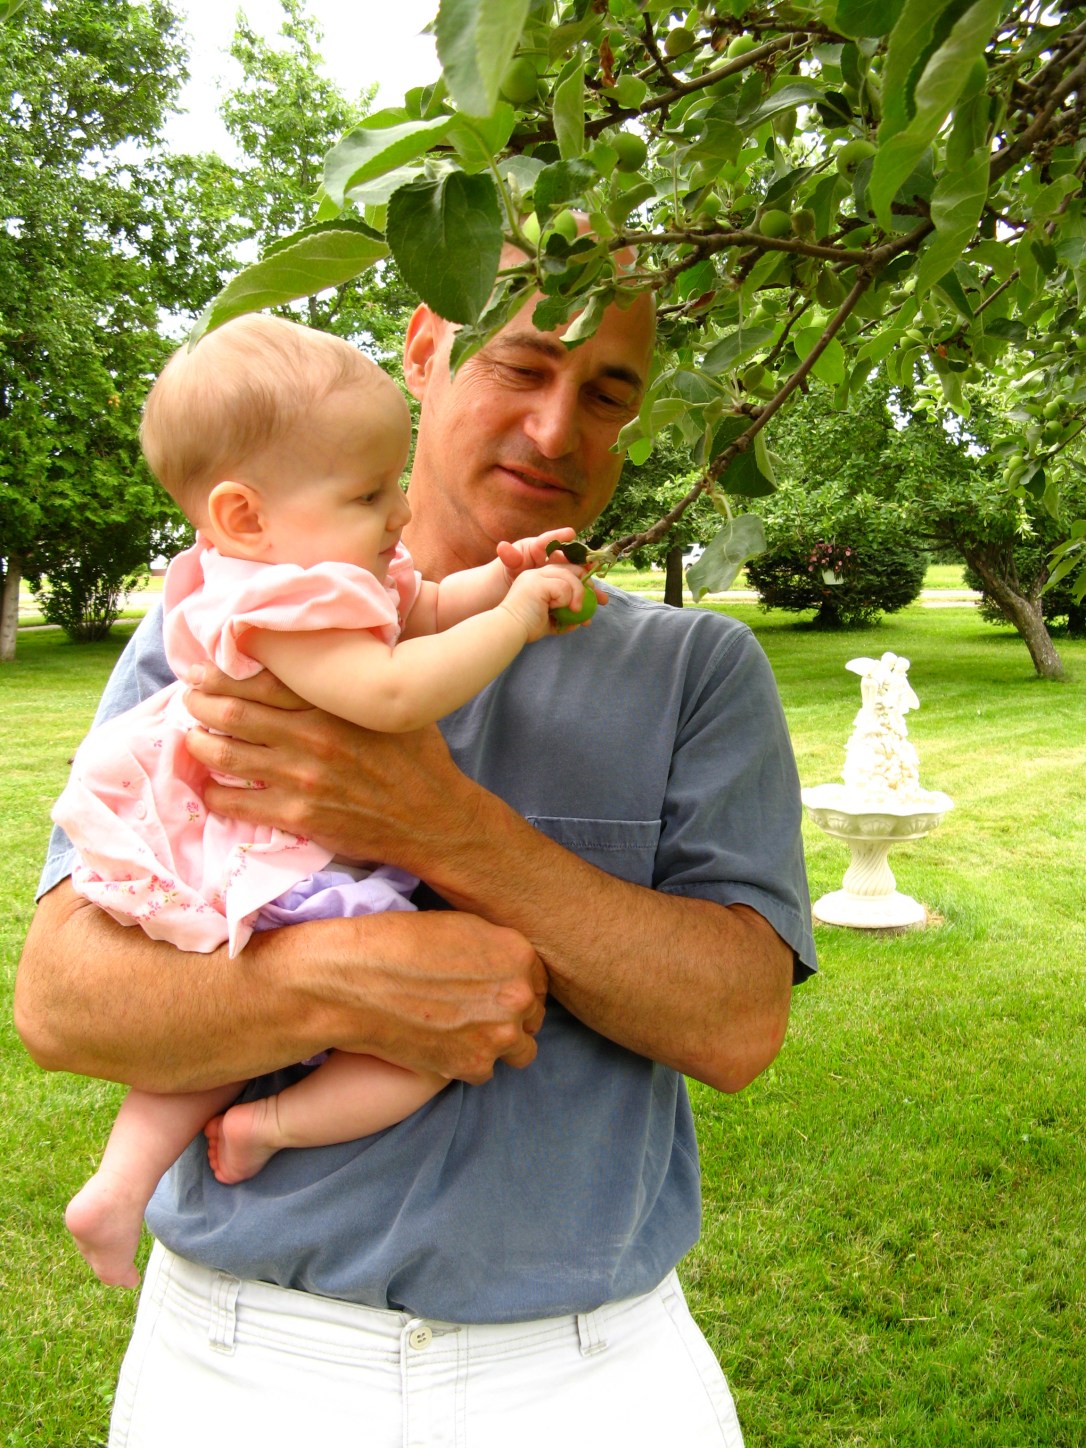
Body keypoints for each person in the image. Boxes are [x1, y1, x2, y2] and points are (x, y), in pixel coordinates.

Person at [16, 245, 818, 1446]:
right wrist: (346, 979)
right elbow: (62, 1002)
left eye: (607, 393)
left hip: (588, 1373)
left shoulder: (699, 670)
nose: (556, 428)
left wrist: (441, 827)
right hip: (237, 1359)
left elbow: (739, 1024)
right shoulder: (216, 631)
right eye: (523, 365)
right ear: (426, 349)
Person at [54, 313, 598, 1291]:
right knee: (426, 1044)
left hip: (244, 849)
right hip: (284, 860)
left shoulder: (281, 573)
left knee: (215, 1045)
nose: (399, 511)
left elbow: (423, 611)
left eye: (393, 483)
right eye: (368, 493)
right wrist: (518, 618)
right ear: (243, 515)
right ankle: (270, 1124)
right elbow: (393, 691)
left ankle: (119, 1183)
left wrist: (498, 576)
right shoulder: (284, 609)